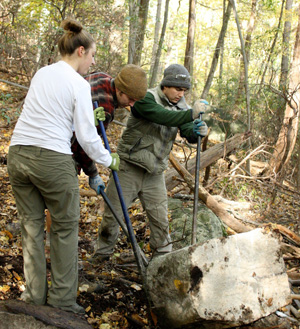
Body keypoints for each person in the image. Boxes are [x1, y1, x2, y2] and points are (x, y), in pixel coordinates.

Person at [7, 18, 119, 314]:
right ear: (80, 51)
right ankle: (62, 303)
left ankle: (34, 299)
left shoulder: (42, 73)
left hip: (17, 154)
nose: (93, 62)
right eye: (93, 55)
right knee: (65, 229)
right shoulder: (78, 84)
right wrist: (109, 159)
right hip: (52, 160)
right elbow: (85, 137)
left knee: (31, 228)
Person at [91, 63, 209, 262]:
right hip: (129, 166)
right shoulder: (145, 97)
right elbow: (162, 116)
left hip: (155, 172)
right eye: (177, 89)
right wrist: (190, 114)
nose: (181, 94)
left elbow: (186, 129)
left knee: (160, 220)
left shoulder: (182, 107)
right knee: (113, 215)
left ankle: (162, 262)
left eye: (184, 91)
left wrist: (197, 130)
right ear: (165, 85)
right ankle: (101, 256)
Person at [71, 64, 148, 191]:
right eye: (130, 99)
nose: (132, 105)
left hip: (50, 139)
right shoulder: (105, 108)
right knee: (67, 206)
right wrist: (93, 174)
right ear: (120, 90)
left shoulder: (102, 77)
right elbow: (86, 143)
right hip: (66, 152)